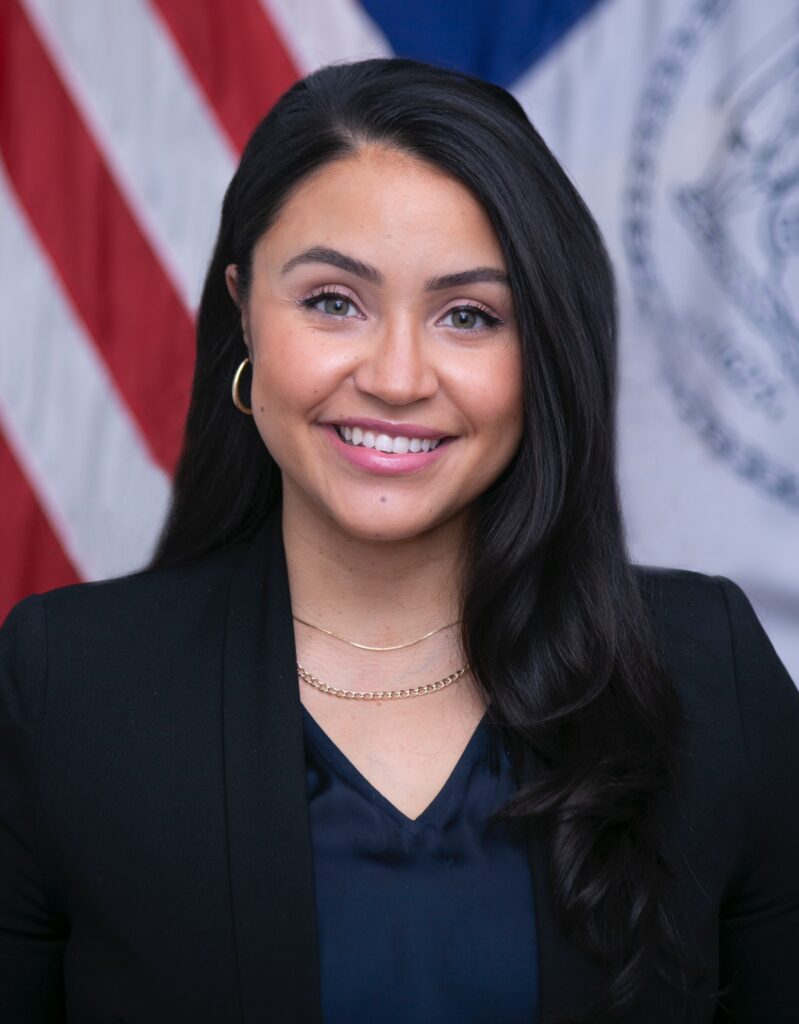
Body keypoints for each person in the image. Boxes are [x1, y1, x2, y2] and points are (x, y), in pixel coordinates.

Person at [1, 58, 797, 1024]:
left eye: (469, 316)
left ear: (541, 348)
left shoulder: (708, 668)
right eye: (334, 300)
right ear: (245, 305)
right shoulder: (66, 687)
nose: (397, 375)